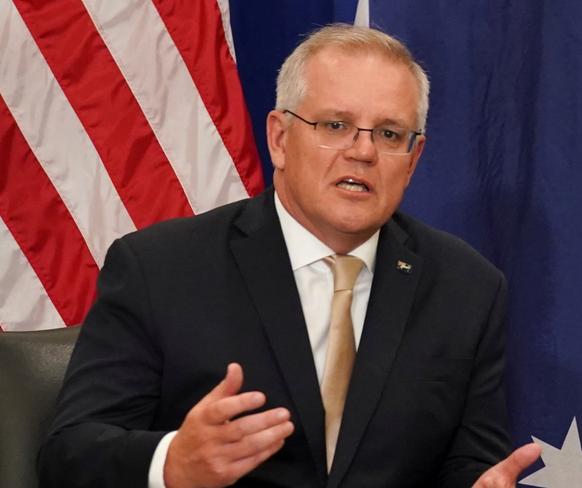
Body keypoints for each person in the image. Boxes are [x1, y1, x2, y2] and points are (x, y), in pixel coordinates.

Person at [39, 24, 540, 487]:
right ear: (280, 138)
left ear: (413, 160)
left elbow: (470, 462)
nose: (362, 152)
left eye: (389, 134)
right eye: (336, 125)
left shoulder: (466, 288)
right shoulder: (160, 269)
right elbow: (70, 452)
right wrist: (173, 464)